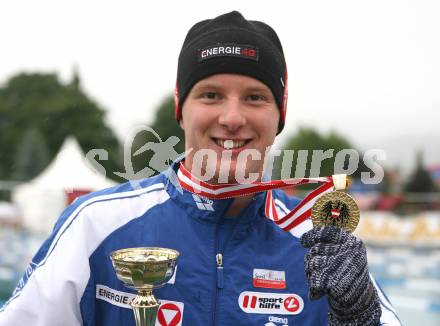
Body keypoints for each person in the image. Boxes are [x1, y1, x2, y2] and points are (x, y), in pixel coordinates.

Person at [0, 11, 400, 326]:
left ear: (279, 117)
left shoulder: (318, 242)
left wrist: (359, 319)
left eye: (255, 97)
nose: (231, 117)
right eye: (210, 95)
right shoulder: (95, 225)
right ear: (182, 110)